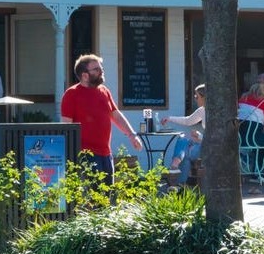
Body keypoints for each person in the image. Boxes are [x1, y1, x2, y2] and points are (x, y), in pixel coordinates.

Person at [60, 53, 142, 181]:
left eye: (101, 68)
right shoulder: (71, 94)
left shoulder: (104, 91)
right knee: (92, 192)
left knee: (107, 192)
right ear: (84, 75)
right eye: (96, 69)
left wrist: (132, 135)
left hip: (106, 153)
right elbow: (66, 127)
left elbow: (116, 115)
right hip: (85, 155)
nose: (101, 71)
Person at [161, 85, 206, 185]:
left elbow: (214, 138)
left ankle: (176, 170)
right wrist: (169, 118)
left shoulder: (215, 113)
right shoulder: (202, 110)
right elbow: (188, 121)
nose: (195, 99)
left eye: (197, 97)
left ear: (204, 97)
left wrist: (199, 136)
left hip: (210, 148)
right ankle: (178, 177)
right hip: (203, 144)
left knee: (185, 152)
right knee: (182, 139)